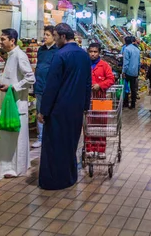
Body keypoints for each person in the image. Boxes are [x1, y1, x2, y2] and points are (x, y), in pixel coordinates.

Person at [39, 23, 91, 190]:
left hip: (58, 109)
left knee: (54, 145)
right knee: (71, 143)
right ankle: (70, 176)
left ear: (62, 36)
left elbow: (52, 86)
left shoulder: (60, 55)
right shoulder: (84, 55)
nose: (54, 39)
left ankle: (55, 180)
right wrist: (85, 106)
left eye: (55, 36)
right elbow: (88, 84)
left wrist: (44, 110)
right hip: (75, 109)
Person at [0, 28, 35, 178]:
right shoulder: (11, 55)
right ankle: (9, 167)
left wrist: (13, 87)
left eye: (3, 39)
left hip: (18, 104)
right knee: (10, 138)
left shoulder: (20, 55)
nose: (1, 42)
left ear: (12, 41)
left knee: (17, 138)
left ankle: (16, 168)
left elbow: (31, 78)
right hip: (10, 103)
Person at [85, 43, 115, 160]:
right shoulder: (84, 65)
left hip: (101, 99)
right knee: (88, 124)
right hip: (88, 99)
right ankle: (89, 149)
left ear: (99, 53)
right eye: (91, 51)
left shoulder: (104, 66)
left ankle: (101, 149)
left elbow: (111, 79)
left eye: (95, 52)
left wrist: (100, 85)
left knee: (101, 125)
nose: (93, 54)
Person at [32, 25, 57, 148]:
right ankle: (41, 137)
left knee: (50, 112)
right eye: (45, 34)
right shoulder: (41, 50)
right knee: (39, 111)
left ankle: (51, 137)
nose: (45, 37)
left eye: (48, 35)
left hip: (51, 87)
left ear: (54, 36)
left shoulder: (58, 51)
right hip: (40, 85)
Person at [122, 36, 140, 109]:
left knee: (126, 87)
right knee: (133, 88)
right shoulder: (137, 49)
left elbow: (126, 62)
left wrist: (123, 72)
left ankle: (126, 103)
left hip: (128, 71)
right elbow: (139, 62)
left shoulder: (126, 49)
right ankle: (133, 104)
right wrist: (138, 71)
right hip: (135, 71)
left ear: (126, 42)